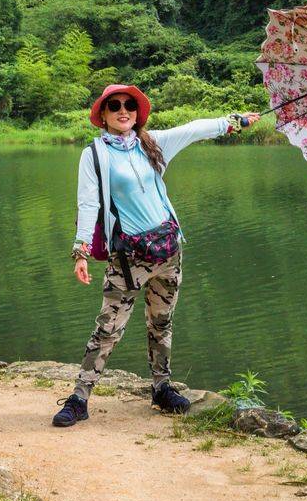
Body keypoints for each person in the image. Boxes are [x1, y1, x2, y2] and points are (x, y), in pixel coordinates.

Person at [52, 84, 260, 427]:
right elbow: (88, 204)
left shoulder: (152, 143)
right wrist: (81, 252)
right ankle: (79, 399)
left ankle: (162, 388)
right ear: (102, 114)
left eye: (130, 105)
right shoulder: (94, 155)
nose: (124, 111)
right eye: (115, 105)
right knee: (108, 329)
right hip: (128, 259)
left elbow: (193, 130)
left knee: (161, 323)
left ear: (138, 112)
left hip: (168, 250)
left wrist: (233, 122)